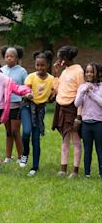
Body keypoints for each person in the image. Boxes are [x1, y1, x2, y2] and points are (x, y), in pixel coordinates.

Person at [52, 46, 85, 178]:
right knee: (64, 139)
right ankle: (63, 169)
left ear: (65, 59)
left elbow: (81, 94)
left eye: (60, 58)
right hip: (61, 107)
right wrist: (55, 74)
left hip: (72, 108)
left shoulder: (78, 71)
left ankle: (75, 171)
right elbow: (56, 90)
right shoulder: (64, 71)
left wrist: (79, 116)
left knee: (76, 140)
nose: (58, 60)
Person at [21, 51, 55, 176]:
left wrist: (53, 96)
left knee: (36, 139)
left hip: (40, 110)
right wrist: (28, 94)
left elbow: (51, 98)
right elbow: (26, 90)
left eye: (43, 65)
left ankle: (35, 167)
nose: (40, 68)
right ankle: (25, 152)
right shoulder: (31, 77)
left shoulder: (51, 79)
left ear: (48, 65)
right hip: (27, 106)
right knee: (26, 131)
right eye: (37, 65)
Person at [0, 46, 28, 165]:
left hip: (17, 104)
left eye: (11, 56)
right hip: (5, 105)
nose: (9, 58)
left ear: (17, 58)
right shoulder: (1, 70)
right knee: (8, 131)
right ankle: (8, 157)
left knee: (15, 130)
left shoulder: (22, 71)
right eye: (7, 56)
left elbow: (25, 87)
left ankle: (20, 156)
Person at [74, 62, 102, 178]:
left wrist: (91, 94)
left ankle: (101, 173)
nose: (89, 74)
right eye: (87, 72)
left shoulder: (101, 87)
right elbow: (77, 103)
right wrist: (82, 91)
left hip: (99, 123)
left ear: (98, 73)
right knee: (87, 149)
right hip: (86, 123)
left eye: (92, 72)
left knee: (100, 149)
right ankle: (87, 173)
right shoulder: (82, 87)